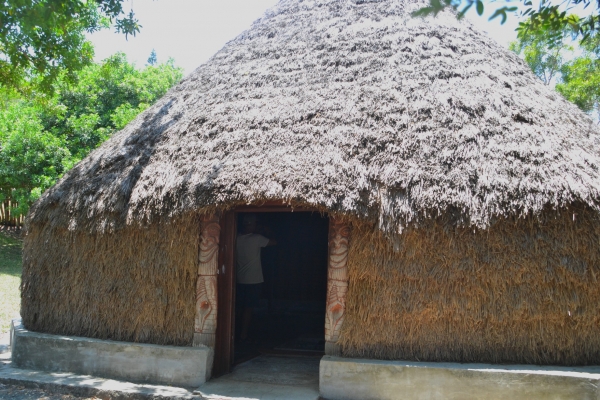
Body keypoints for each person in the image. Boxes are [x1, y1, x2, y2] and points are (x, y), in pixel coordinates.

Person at [236, 213, 276, 342]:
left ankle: (235, 331)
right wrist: (266, 231)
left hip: (239, 279)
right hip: (253, 280)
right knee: (248, 308)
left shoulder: (236, 238)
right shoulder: (258, 238)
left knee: (239, 307)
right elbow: (274, 242)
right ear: (252, 225)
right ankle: (243, 334)